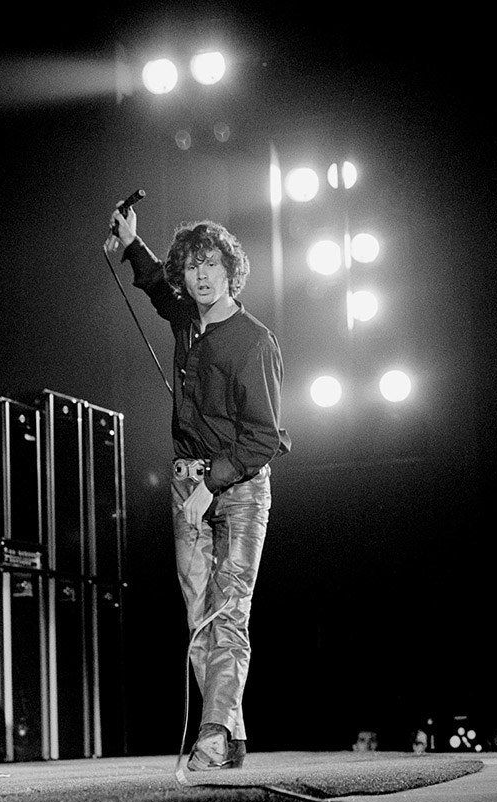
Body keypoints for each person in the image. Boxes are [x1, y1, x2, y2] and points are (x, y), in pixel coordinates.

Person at [108, 203, 291, 771]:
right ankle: (229, 734)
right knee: (197, 619)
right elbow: (155, 287)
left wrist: (212, 484)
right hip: (188, 485)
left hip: (236, 489)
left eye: (211, 264)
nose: (201, 275)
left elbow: (268, 437)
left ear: (232, 271)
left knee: (228, 613)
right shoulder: (186, 320)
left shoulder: (255, 341)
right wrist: (134, 245)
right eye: (191, 267)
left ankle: (211, 734)